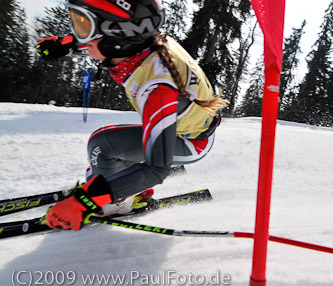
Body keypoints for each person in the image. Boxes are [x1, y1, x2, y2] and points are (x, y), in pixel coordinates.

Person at [35, 0, 228, 231]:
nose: (81, 37)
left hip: (191, 142)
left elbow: (157, 169)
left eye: (83, 27)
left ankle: (117, 203)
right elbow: (112, 35)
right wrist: (64, 43)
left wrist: (85, 201)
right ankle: (116, 181)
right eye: (79, 23)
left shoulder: (157, 87)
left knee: (102, 146)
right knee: (106, 150)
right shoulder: (143, 43)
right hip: (189, 126)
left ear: (115, 39)